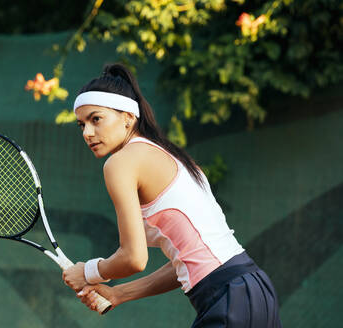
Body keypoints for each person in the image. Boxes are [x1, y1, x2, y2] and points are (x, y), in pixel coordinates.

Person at [62, 63, 282, 327]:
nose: (87, 133)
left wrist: (87, 271)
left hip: (228, 298)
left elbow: (133, 258)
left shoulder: (121, 163)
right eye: (81, 125)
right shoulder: (172, 156)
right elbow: (186, 262)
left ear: (128, 117)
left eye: (96, 119)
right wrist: (118, 293)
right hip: (254, 289)